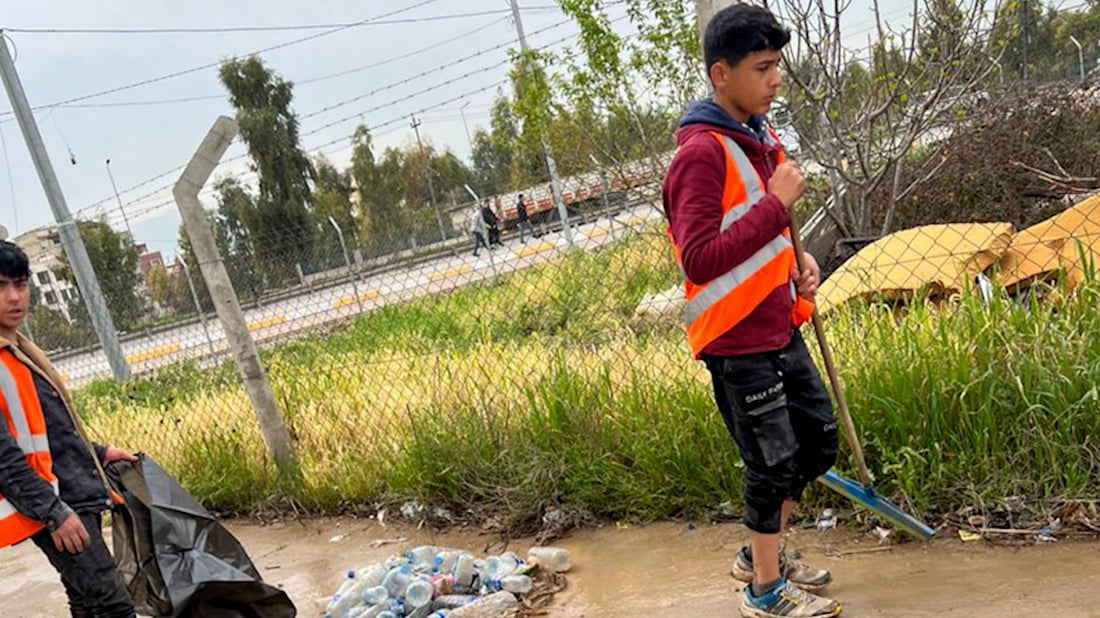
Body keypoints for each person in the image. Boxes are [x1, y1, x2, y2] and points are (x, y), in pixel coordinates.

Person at [661, 5, 841, 617]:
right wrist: (773, 205)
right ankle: (764, 592)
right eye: (762, 68)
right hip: (736, 340)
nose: (775, 79)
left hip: (777, 322)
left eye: (777, 66)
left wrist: (800, 263)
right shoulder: (701, 155)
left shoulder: (760, 140)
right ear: (721, 74)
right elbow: (700, 257)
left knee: (816, 443)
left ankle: (761, 550)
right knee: (772, 462)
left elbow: (765, 231)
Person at [0, 240, 139, 617]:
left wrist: (98, 453)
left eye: (21, 284)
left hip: (68, 492)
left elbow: (47, 430)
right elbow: (3, 458)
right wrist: (54, 513)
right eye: (1, 287)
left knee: (88, 600)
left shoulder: (19, 348)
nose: (14, 297)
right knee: (113, 605)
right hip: (50, 501)